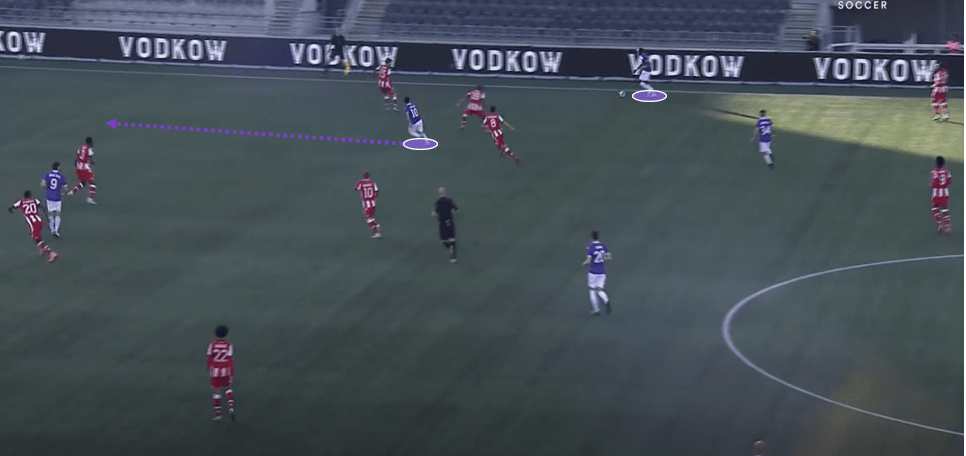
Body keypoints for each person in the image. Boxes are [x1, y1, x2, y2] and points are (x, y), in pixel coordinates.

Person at [8, 190, 57, 262]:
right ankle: (42, 250)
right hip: (39, 221)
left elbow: (11, 207)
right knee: (37, 236)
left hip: (33, 223)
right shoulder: (34, 200)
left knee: (36, 238)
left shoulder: (21, 201)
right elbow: (42, 207)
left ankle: (50, 253)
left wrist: (11, 210)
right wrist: (46, 216)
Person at [206, 325, 235, 421]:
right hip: (225, 370)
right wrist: (231, 372)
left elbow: (210, 358)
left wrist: (207, 368)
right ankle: (231, 406)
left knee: (216, 391)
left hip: (215, 370)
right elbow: (230, 359)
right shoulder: (228, 345)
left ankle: (218, 415)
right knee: (227, 388)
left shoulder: (212, 344)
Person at [582, 230, 612, 315]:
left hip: (593, 272)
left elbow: (588, 260)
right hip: (602, 272)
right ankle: (606, 301)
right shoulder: (603, 246)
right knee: (600, 289)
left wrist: (584, 263)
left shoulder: (591, 247)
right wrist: (602, 259)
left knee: (592, 290)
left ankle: (596, 309)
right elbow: (609, 258)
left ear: (592, 237)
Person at [41, 162, 68, 238]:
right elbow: (65, 188)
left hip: (49, 196)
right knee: (57, 214)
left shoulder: (47, 174)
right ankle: (56, 230)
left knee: (50, 214)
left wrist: (46, 190)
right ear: (58, 167)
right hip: (57, 197)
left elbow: (42, 184)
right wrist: (63, 193)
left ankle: (52, 230)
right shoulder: (61, 176)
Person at [67, 136, 97, 204]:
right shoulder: (89, 149)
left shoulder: (81, 148)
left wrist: (76, 167)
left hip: (78, 167)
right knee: (92, 183)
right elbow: (90, 159)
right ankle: (90, 198)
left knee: (83, 182)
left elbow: (76, 158)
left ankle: (72, 192)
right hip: (85, 168)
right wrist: (92, 162)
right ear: (90, 142)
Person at [432, 187, 459, 263]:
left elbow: (435, 213)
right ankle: (453, 257)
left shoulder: (438, 202)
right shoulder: (449, 200)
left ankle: (449, 247)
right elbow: (456, 210)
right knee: (452, 238)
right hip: (450, 222)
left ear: (439, 194)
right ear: (445, 193)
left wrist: (433, 213)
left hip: (442, 223)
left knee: (443, 239)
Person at [354, 172, 381, 239]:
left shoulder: (361, 183)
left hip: (366, 204)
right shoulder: (372, 183)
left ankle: (376, 230)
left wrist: (360, 181)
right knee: (370, 217)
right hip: (373, 203)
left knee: (369, 219)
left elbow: (355, 188)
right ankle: (376, 226)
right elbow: (377, 192)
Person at [931, 155, 952, 234]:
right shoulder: (946, 171)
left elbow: (934, 182)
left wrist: (932, 185)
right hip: (945, 192)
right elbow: (949, 180)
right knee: (944, 208)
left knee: (935, 208)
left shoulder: (934, 171)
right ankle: (947, 226)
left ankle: (939, 224)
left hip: (936, 192)